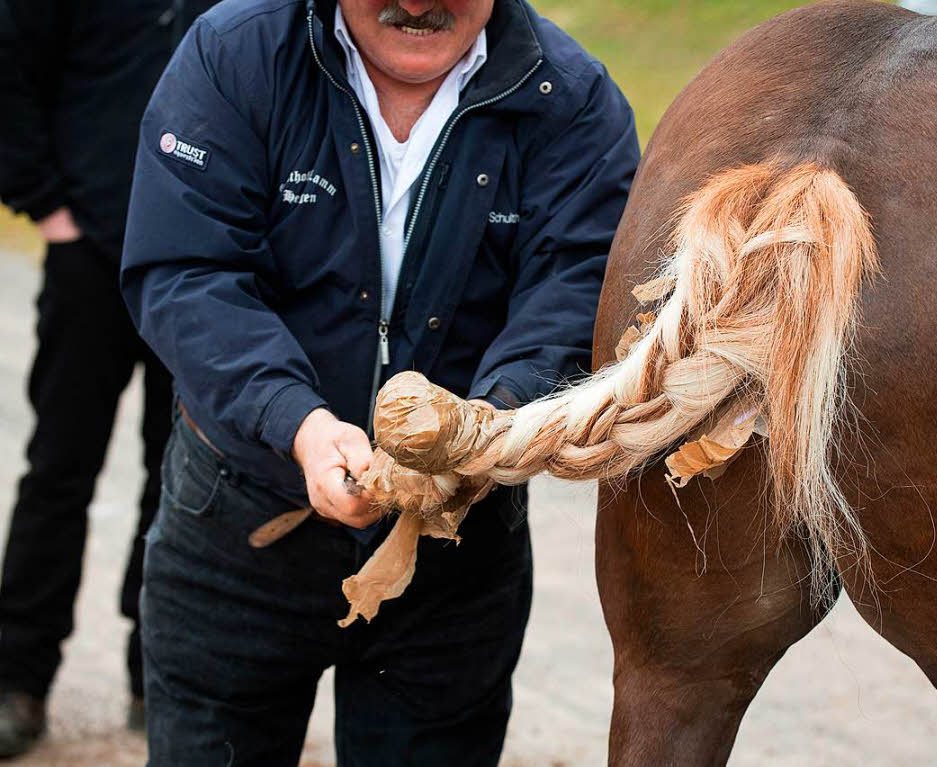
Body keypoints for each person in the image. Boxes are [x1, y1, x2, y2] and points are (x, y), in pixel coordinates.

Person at [121, 0, 639, 763]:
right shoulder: (236, 56)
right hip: (241, 522)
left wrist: (484, 427)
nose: (419, 2)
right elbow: (186, 270)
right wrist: (298, 422)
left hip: (458, 546)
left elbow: (579, 287)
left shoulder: (572, 100)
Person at [0, 0, 215, 756]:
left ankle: (155, 673)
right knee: (58, 468)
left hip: (201, 267)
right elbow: (11, 67)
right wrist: (44, 203)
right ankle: (17, 676)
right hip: (89, 246)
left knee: (182, 472)